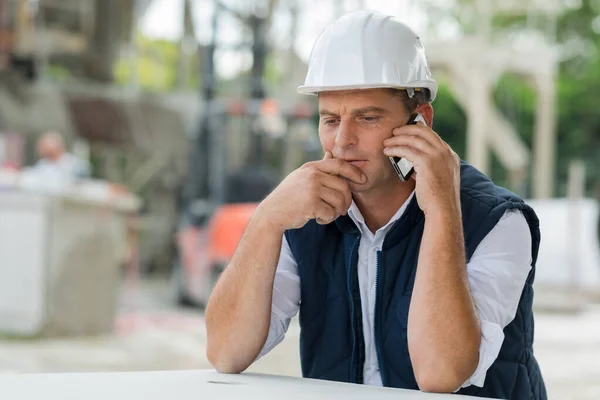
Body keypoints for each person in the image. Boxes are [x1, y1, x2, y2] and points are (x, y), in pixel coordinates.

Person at [205, 10, 546, 400]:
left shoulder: (497, 220)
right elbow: (225, 352)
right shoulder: (304, 214)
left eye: (367, 117)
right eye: (330, 119)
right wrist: (266, 220)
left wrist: (441, 211)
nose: (342, 141)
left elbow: (442, 373)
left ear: (421, 122)